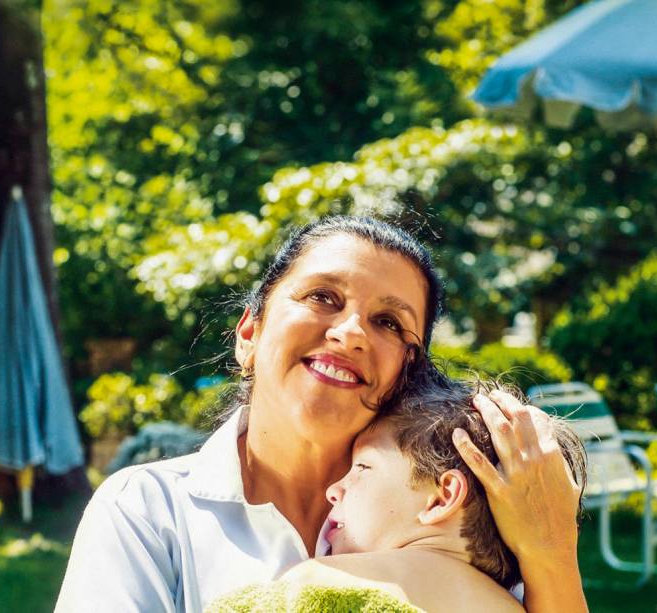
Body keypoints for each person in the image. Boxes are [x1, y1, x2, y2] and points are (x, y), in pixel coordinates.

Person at [55, 216, 587, 613]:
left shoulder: (479, 512)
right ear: (249, 333)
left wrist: (553, 556)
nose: (352, 332)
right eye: (322, 296)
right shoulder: (148, 509)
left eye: (388, 322)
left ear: (411, 367)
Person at [206, 365, 586, 612]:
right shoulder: (523, 607)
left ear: (442, 497)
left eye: (362, 467)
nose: (334, 490)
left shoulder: (327, 580)